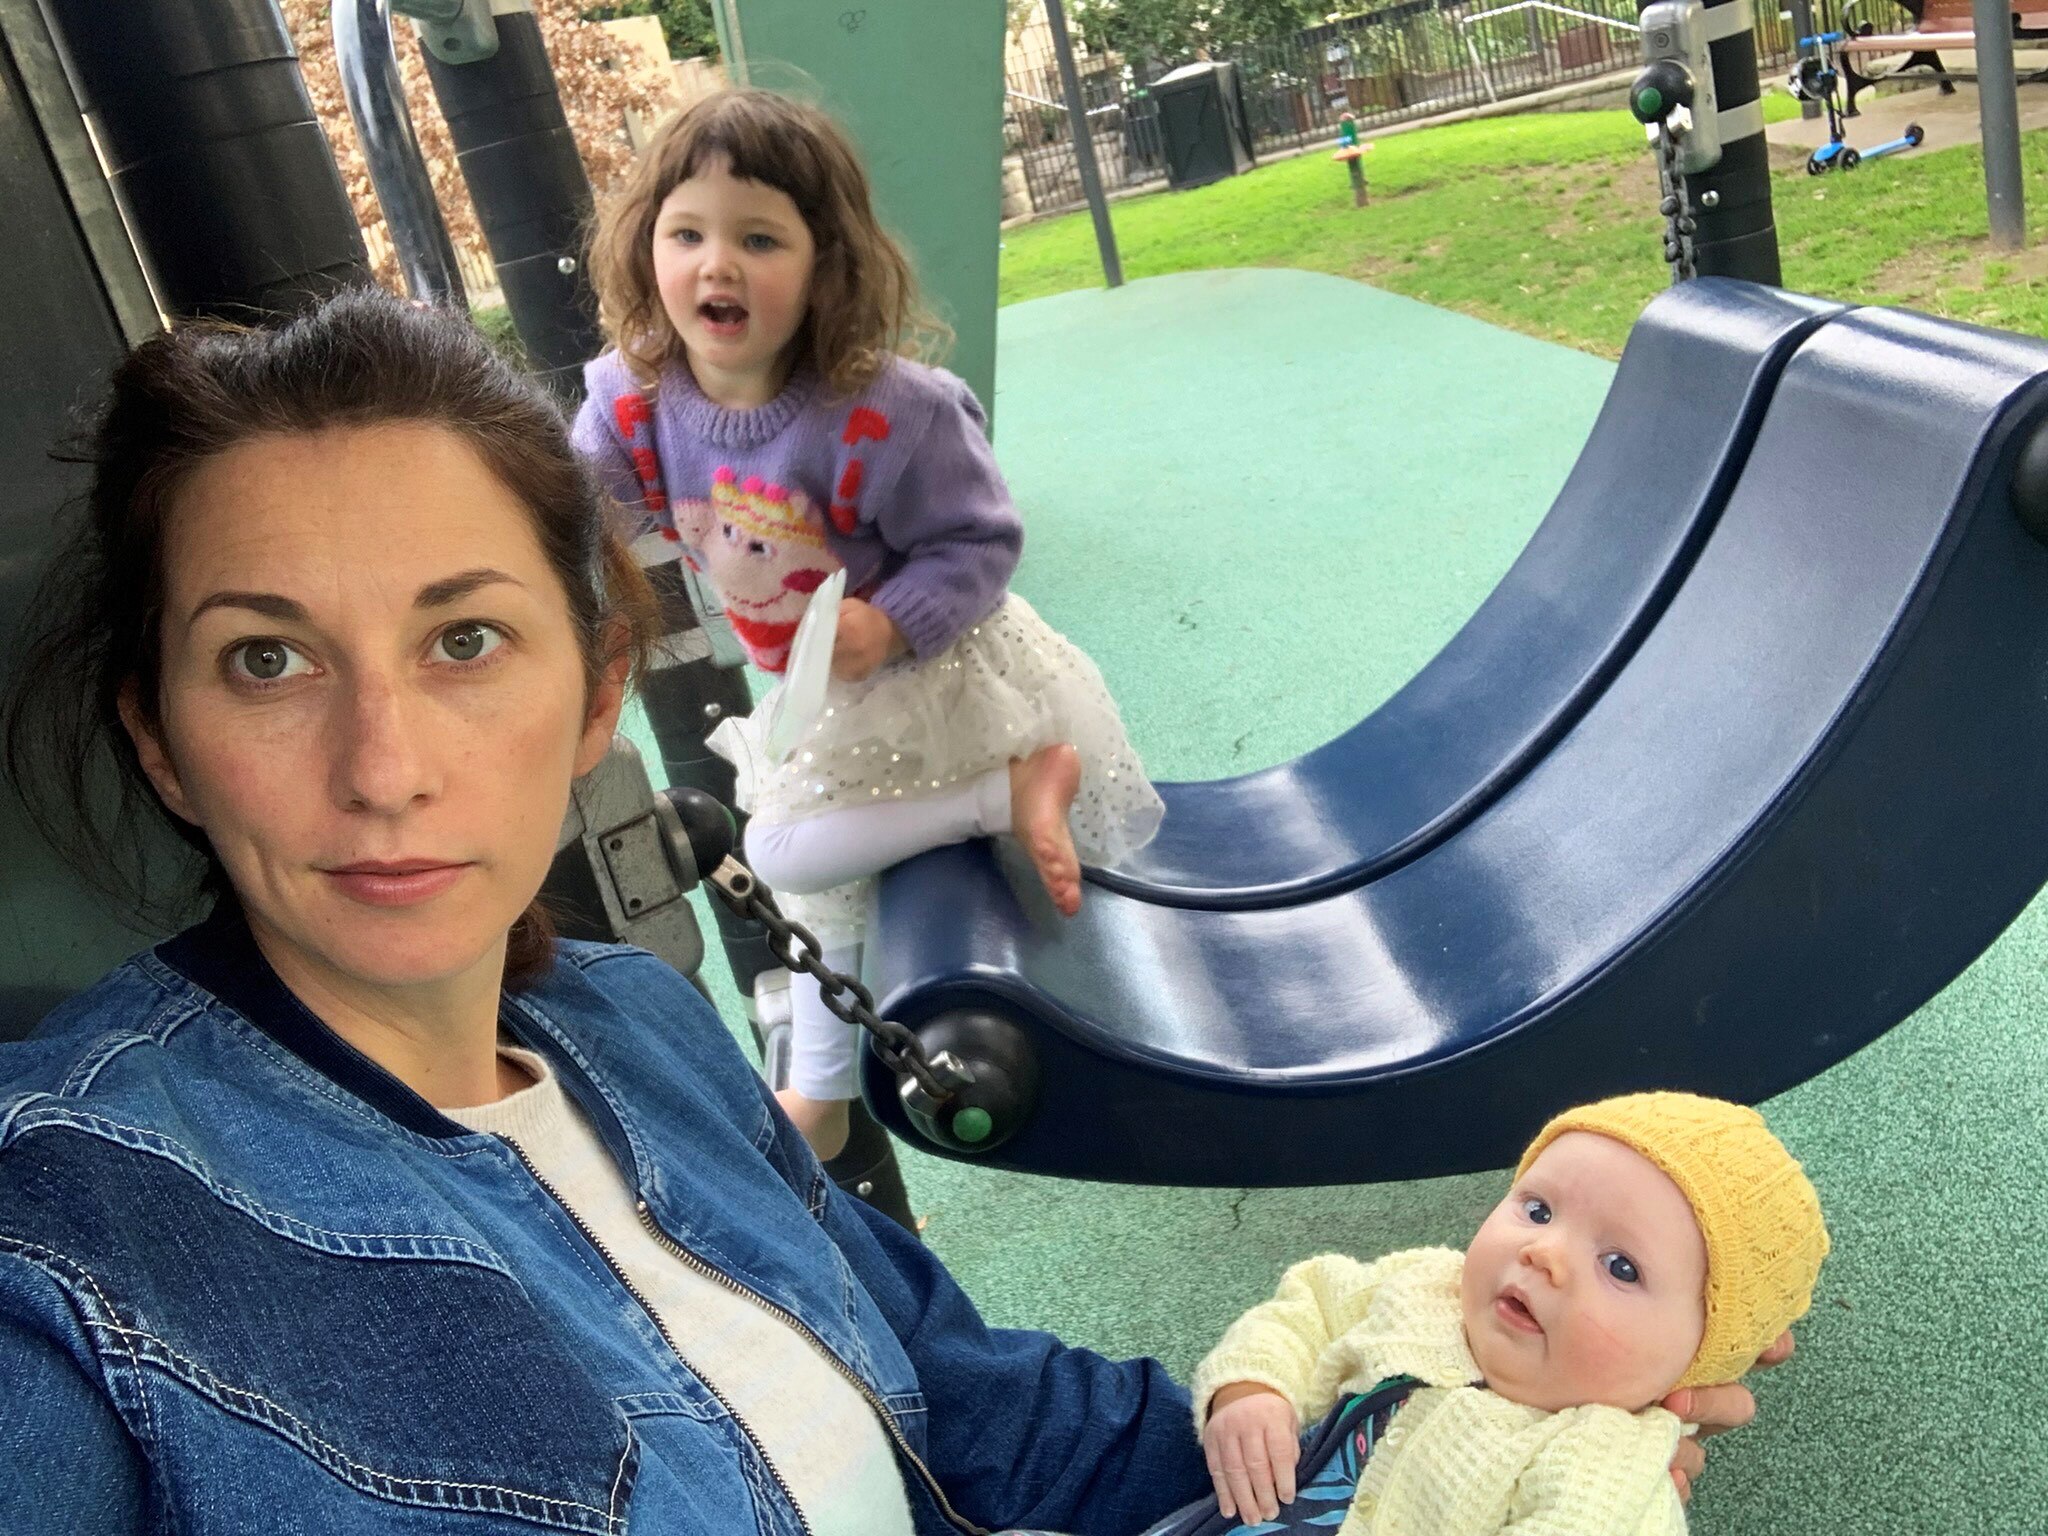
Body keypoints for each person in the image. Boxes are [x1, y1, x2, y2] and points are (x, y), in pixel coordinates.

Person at [573, 88, 1164, 1161]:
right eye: (687, 232)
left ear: (824, 265)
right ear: (644, 246)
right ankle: (824, 1091)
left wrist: (890, 623)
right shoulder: (633, 403)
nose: (718, 265)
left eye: (760, 238)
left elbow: (979, 543)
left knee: (787, 849)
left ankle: (1007, 788)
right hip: (817, 686)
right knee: (829, 870)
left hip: (938, 673)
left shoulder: (884, 413)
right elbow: (575, 509)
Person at [1191, 1093, 1827, 1534]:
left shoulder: (1604, 1471)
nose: (1544, 1253)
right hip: (1232, 1485)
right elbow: (1314, 1304)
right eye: (1539, 1210)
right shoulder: (1428, 1285)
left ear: (1699, 1361)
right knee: (1118, 1410)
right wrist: (1252, 1389)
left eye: (1621, 1267)